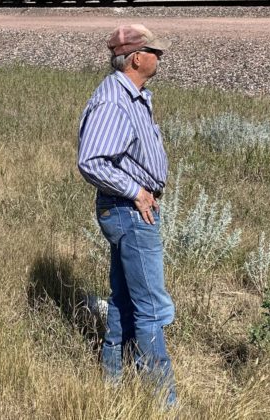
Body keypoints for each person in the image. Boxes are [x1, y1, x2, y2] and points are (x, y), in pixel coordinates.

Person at [77, 23, 176, 407]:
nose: (160, 57)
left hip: (128, 208)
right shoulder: (114, 101)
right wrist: (137, 192)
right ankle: (162, 401)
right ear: (136, 57)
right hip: (129, 210)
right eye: (155, 51)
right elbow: (91, 160)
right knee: (152, 306)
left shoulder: (133, 95)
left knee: (124, 300)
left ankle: (114, 382)